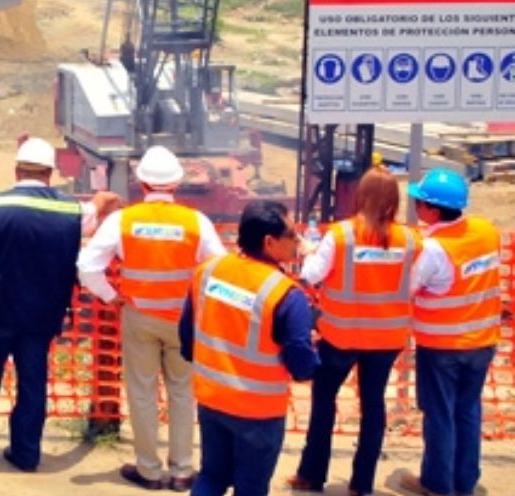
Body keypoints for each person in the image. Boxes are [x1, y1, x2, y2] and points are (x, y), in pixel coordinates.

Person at [0, 136, 120, 472]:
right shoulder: (71, 209)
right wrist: (104, 200)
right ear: (51, 172)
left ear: (17, 169)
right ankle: (26, 452)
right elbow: (90, 214)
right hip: (43, 313)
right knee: (33, 382)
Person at [78, 145, 227, 491]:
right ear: (176, 184)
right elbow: (219, 270)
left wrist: (112, 297)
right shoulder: (196, 222)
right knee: (182, 392)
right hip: (183, 319)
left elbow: (87, 266)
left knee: (142, 392)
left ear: (141, 182)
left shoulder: (123, 220)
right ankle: (183, 470)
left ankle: (148, 469)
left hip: (140, 316)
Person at [288, 167, 420, 496]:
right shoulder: (411, 239)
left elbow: (312, 275)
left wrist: (309, 251)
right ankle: (362, 484)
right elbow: (413, 284)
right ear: (394, 200)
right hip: (386, 338)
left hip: (341, 335)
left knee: (324, 402)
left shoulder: (342, 234)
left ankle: (311, 474)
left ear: (360, 196)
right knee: (373, 406)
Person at [179, 200, 319, 496]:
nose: (298, 241)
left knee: (212, 476)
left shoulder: (207, 271)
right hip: (258, 413)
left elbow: (186, 334)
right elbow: (302, 366)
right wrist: (312, 354)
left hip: (212, 399)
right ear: (270, 242)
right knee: (251, 487)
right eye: (292, 235)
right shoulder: (286, 295)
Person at [399, 169, 501, 496]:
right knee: (468, 412)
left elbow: (407, 290)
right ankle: (464, 482)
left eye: (419, 202)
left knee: (440, 416)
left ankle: (437, 484)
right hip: (483, 343)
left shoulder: (434, 249)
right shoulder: (486, 231)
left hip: (442, 346)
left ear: (432, 209)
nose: (416, 207)